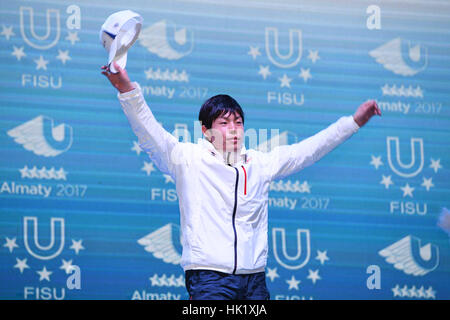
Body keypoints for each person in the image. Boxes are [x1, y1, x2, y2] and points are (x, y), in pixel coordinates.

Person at [101, 61, 381, 300]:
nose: (233, 130)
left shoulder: (259, 163)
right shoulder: (188, 158)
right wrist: (126, 88)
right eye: (224, 123)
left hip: (254, 281)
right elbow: (149, 130)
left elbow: (307, 151)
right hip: (209, 279)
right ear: (206, 131)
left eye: (238, 123)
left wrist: (353, 122)